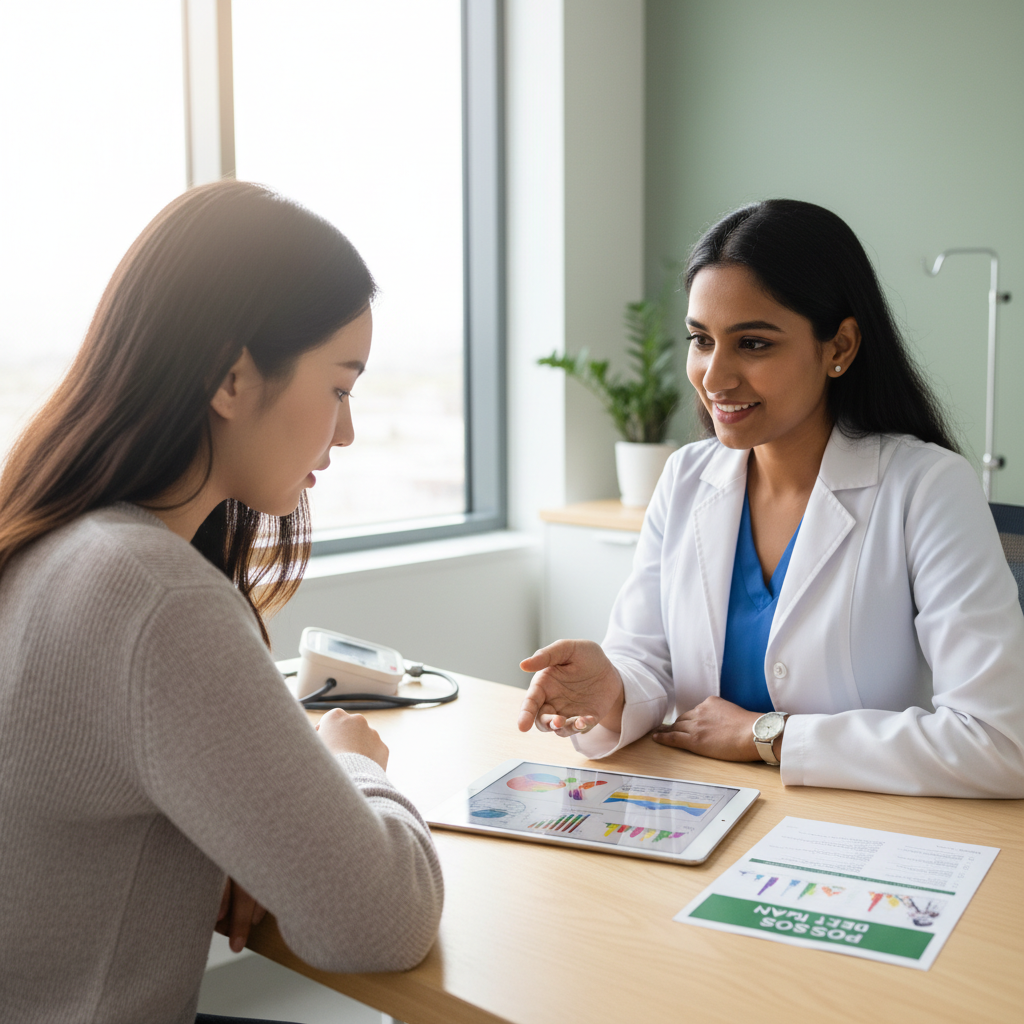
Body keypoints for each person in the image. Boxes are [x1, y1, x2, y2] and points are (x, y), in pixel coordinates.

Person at [0, 181, 443, 1024]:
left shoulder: (51, 541)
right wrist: (354, 766)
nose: (344, 432)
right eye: (341, 387)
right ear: (231, 376)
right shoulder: (153, 597)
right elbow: (383, 923)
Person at [518, 199, 1024, 798]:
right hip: (706, 815)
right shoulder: (686, 477)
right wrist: (614, 690)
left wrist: (769, 736)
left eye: (753, 344)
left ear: (839, 347)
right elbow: (649, 662)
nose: (715, 376)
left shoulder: (927, 487)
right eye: (700, 340)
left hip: (864, 833)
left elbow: (1000, 742)